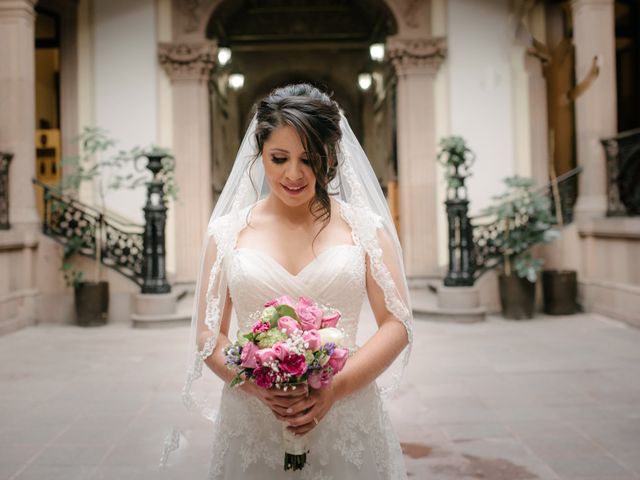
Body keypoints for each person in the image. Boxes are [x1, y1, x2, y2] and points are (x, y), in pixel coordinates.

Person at [181, 83, 413, 479]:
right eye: (279, 157)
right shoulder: (226, 233)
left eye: (309, 159)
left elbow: (396, 324)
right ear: (260, 154)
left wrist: (334, 390)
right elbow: (208, 333)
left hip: (346, 415)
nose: (293, 173)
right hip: (253, 418)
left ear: (331, 158)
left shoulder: (365, 229)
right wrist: (256, 386)